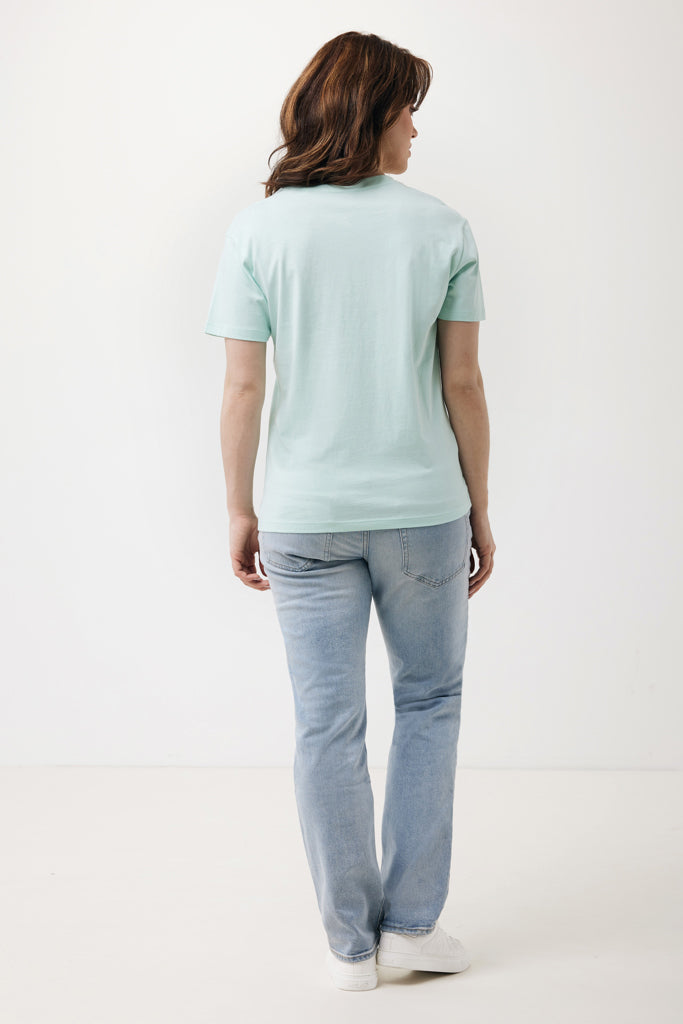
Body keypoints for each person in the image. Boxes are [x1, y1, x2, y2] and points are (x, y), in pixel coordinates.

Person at [204, 30, 495, 992]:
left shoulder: (260, 231)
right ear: (372, 114)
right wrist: (479, 508)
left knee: (325, 726)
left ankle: (349, 949)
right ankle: (410, 926)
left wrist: (239, 508)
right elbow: (463, 384)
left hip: (301, 514)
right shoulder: (442, 228)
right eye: (409, 109)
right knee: (429, 703)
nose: (416, 129)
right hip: (422, 511)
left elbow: (242, 390)